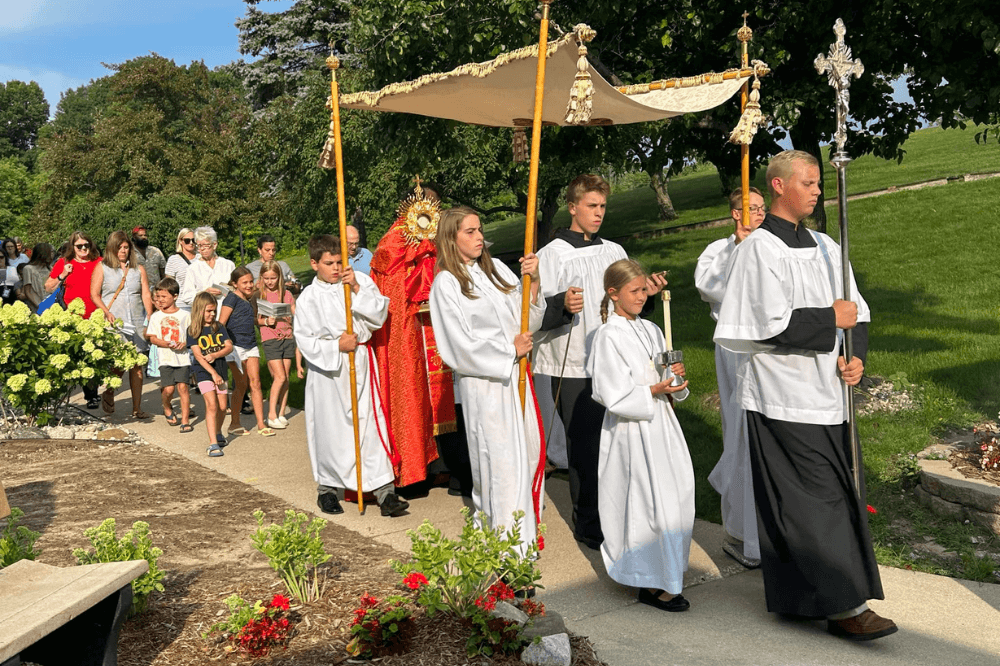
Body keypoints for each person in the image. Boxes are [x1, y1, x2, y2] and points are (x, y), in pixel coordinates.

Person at [714, 150, 894, 640]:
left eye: (819, 183)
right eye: (810, 183)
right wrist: (827, 320)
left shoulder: (826, 246)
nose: (818, 191)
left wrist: (854, 355)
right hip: (783, 395)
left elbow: (855, 310)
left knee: (834, 494)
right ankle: (843, 606)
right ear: (778, 186)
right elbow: (759, 325)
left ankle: (800, 597)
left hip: (830, 391)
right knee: (813, 501)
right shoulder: (758, 250)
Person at [534, 174, 666, 550]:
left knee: (620, 442)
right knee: (586, 446)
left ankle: (621, 511)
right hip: (572, 363)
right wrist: (561, 305)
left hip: (616, 360)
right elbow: (530, 311)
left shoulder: (614, 251)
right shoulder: (551, 256)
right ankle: (589, 521)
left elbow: (628, 298)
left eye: (602, 206)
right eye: (591, 206)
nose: (598, 214)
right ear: (573, 207)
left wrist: (648, 292)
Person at [429, 206, 546, 556]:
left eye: (480, 230)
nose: (480, 237)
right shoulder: (446, 284)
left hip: (516, 376)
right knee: (499, 462)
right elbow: (458, 345)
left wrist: (534, 281)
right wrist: (507, 350)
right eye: (470, 231)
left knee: (525, 454)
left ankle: (523, 535)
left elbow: (528, 316)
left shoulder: (493, 271)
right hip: (486, 382)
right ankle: (506, 545)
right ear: (451, 238)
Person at [590, 259, 694, 613]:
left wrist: (675, 380)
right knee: (644, 503)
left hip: (662, 425)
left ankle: (670, 572)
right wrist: (651, 390)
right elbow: (609, 391)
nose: (641, 296)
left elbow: (670, 385)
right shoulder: (608, 335)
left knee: (674, 498)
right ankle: (648, 580)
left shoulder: (651, 329)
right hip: (631, 432)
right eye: (634, 291)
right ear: (613, 294)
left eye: (643, 290)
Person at [294, 234, 409, 517]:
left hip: (359, 362)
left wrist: (357, 288)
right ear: (314, 264)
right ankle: (328, 490)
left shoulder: (358, 282)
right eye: (329, 263)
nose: (336, 268)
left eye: (339, 262)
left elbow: (379, 314)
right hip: (328, 373)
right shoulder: (309, 297)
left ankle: (385, 493)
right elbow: (305, 339)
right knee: (330, 430)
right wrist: (335, 346)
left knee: (369, 425)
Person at [694, 186, 767, 569]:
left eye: (761, 208)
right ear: (735, 213)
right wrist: (739, 249)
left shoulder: (772, 246)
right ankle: (741, 529)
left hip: (770, 346)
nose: (758, 214)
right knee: (739, 427)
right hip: (734, 346)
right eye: (750, 209)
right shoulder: (717, 251)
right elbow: (711, 288)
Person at [91, 230, 154, 419]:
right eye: (120, 247)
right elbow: (94, 294)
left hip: (135, 320)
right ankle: (109, 391)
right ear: (112, 248)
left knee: (137, 365)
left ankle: (137, 407)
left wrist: (150, 315)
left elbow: (145, 294)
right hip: (115, 321)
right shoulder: (102, 268)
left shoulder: (138, 269)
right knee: (119, 364)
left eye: (126, 247)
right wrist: (106, 311)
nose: (123, 251)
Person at [46, 231, 103, 408]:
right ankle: (62, 394)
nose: (84, 249)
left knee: (92, 356)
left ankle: (92, 395)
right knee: (70, 355)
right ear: (73, 247)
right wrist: (62, 274)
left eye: (86, 245)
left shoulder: (99, 262)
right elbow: (48, 287)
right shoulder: (64, 263)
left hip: (95, 316)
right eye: (79, 246)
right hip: (71, 317)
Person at [220, 267, 272, 437]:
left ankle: (261, 423)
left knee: (255, 383)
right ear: (234, 284)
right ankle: (234, 423)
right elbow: (221, 323)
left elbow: (249, 319)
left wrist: (264, 322)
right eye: (245, 283)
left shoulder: (249, 300)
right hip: (235, 347)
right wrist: (225, 344)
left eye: (251, 281)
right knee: (241, 384)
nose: (249, 285)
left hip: (251, 345)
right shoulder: (231, 299)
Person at [188, 291, 234, 457]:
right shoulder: (193, 330)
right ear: (199, 310)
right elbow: (199, 357)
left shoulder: (219, 327)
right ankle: (213, 443)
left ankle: (218, 432)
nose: (212, 314)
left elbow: (229, 346)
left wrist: (215, 355)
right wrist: (212, 373)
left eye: (214, 311)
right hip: (204, 372)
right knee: (212, 405)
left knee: (222, 407)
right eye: (209, 311)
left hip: (221, 369)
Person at [256, 260, 300, 429]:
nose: (270, 281)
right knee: (279, 376)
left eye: (273, 278)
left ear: (279, 277)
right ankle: (271, 414)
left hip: (287, 336)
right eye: (266, 278)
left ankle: (281, 413)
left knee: (286, 377)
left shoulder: (286, 294)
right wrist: (267, 320)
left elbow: (294, 311)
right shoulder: (262, 295)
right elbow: (259, 319)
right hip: (270, 338)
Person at [146, 277, 193, 432]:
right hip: (165, 358)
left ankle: (185, 421)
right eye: (158, 297)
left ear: (175, 296)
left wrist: (185, 343)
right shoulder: (156, 316)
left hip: (183, 357)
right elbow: (152, 337)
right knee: (168, 390)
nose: (160, 300)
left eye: (164, 297)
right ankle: (167, 406)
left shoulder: (185, 315)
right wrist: (164, 343)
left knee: (183, 388)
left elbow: (193, 334)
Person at [178, 227, 236, 310]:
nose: (201, 249)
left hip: (228, 311)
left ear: (214, 245)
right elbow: (187, 296)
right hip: (204, 313)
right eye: (199, 245)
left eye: (205, 245)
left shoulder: (228, 265)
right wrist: (204, 294)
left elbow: (237, 289)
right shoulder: (193, 268)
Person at [164, 228, 197, 305]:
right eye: (187, 241)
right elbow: (169, 285)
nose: (191, 243)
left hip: (200, 303)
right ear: (180, 241)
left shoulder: (201, 258)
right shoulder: (173, 260)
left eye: (193, 240)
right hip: (181, 303)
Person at [19, 243, 55, 312]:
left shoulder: (50, 269)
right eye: (50, 252)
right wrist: (41, 306)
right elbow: (28, 291)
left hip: (52, 307)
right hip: (37, 308)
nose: (52, 255)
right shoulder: (28, 269)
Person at [132, 226, 166, 293]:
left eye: (145, 235)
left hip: (156, 293)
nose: (144, 237)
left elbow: (163, 273)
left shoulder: (156, 251)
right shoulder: (130, 253)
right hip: (138, 293)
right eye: (140, 235)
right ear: (134, 237)